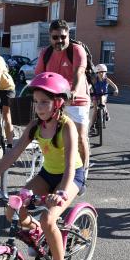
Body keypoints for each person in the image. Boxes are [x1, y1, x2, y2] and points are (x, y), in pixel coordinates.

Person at [0, 72, 84, 260]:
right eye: (36, 102)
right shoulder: (35, 126)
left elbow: (70, 164)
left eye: (45, 102)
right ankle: (40, 234)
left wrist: (61, 193)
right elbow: (12, 154)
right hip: (47, 174)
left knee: (48, 218)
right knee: (12, 210)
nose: (39, 107)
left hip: (71, 176)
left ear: (58, 102)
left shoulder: (67, 127)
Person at [35, 19, 90, 172]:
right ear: (49, 37)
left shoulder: (77, 50)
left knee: (80, 139)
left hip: (77, 99)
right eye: (55, 37)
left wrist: (73, 91)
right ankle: (55, 170)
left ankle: (82, 175)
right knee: (50, 137)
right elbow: (39, 75)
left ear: (68, 35)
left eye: (63, 37)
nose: (59, 40)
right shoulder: (45, 53)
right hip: (54, 101)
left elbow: (79, 71)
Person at [90, 64, 119, 132]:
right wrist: (88, 91)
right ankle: (92, 126)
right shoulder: (95, 80)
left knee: (103, 100)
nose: (102, 74)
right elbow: (90, 86)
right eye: (100, 72)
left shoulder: (107, 80)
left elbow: (114, 86)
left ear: (105, 72)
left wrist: (116, 90)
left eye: (103, 72)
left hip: (103, 95)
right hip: (95, 95)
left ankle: (105, 112)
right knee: (95, 110)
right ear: (97, 73)